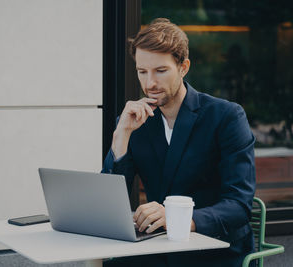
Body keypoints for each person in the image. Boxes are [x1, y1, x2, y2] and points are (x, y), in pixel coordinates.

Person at [102, 18, 256, 267]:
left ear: (183, 67)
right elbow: (107, 203)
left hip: (215, 250)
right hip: (157, 247)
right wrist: (120, 138)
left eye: (160, 71)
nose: (149, 83)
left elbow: (239, 205)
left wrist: (178, 219)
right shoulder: (134, 121)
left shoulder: (226, 116)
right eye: (142, 72)